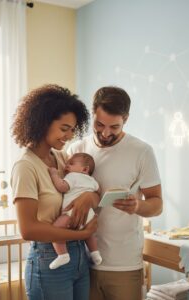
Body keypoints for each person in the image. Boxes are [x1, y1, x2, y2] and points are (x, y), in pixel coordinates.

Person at [67, 86, 163, 300]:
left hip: (124, 264)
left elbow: (157, 204)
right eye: (99, 124)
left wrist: (138, 206)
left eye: (114, 127)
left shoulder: (142, 152)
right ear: (92, 113)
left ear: (126, 119)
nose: (105, 133)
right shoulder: (76, 151)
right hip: (82, 262)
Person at [10, 84, 99, 300]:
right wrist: (83, 234)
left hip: (79, 256)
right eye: (64, 128)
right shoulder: (25, 167)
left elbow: (86, 189)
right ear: (42, 123)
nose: (69, 136)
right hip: (49, 258)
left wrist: (90, 197)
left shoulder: (61, 159)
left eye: (72, 129)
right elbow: (28, 230)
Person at [48, 152, 102, 270]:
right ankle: (95, 252)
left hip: (72, 213)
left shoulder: (73, 176)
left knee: (55, 229)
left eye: (71, 164)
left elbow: (62, 187)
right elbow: (99, 192)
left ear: (84, 169)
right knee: (89, 234)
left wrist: (54, 175)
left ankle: (62, 255)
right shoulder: (93, 180)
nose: (67, 166)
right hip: (89, 214)